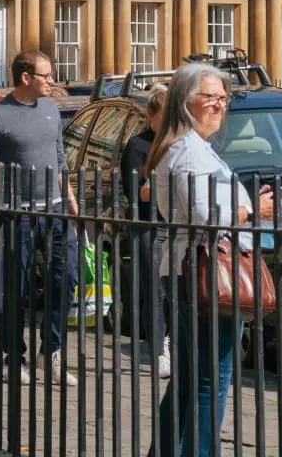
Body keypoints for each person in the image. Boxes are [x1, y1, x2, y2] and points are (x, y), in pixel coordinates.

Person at [145, 62, 274, 457]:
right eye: (211, 98)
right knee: (210, 383)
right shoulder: (189, 152)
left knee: (189, 380)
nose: (220, 106)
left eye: (224, 98)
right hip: (204, 274)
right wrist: (253, 212)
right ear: (187, 103)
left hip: (189, 271)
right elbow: (204, 215)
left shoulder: (193, 149)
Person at [0, 49, 78, 386]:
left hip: (56, 207)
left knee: (66, 278)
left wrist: (72, 198)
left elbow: (60, 157)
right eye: (46, 75)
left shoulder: (50, 108)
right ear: (25, 77)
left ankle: (51, 352)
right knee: (12, 288)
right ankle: (13, 357)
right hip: (16, 212)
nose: (52, 81)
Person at [118, 82, 170, 377]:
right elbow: (134, 191)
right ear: (152, 115)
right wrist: (161, 183)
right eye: (165, 114)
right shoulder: (138, 145)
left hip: (176, 224)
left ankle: (177, 344)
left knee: (177, 292)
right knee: (155, 291)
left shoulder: (179, 143)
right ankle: (160, 350)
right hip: (148, 225)